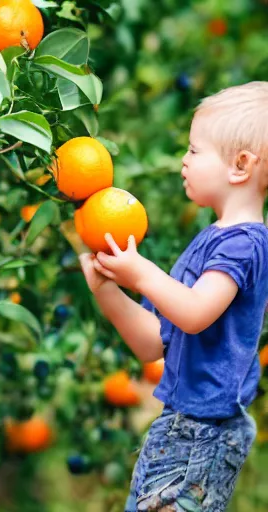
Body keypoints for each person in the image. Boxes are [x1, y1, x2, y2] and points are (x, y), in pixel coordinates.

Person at [79, 81, 268, 512]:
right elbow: (152, 343)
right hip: (180, 427)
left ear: (240, 165)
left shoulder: (244, 245)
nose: (184, 160)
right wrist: (108, 289)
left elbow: (195, 314)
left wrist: (141, 271)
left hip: (205, 433)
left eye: (194, 150)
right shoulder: (211, 242)